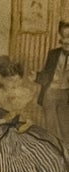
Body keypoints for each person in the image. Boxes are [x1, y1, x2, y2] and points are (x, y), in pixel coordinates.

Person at [37, 20, 69, 154]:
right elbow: (46, 76)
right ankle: (53, 154)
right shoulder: (53, 54)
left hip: (66, 95)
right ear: (60, 37)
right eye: (64, 37)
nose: (66, 41)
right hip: (50, 93)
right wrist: (36, 77)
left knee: (65, 128)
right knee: (51, 128)